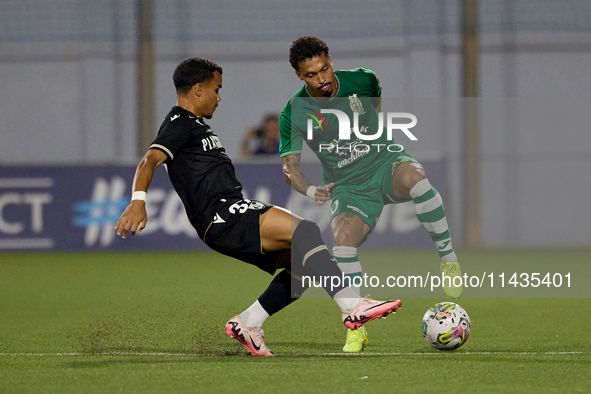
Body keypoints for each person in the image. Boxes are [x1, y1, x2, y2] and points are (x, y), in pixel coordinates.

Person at [114, 57, 401, 356]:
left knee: (304, 265)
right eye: (216, 89)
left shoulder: (195, 126)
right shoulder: (180, 124)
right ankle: (351, 306)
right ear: (198, 90)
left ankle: (248, 324)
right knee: (305, 231)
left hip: (227, 213)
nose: (219, 96)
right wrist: (138, 202)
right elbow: (149, 159)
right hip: (222, 214)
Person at [278, 36, 463, 352]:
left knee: (417, 177)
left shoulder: (363, 80)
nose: (321, 79)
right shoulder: (294, 113)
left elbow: (375, 107)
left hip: (385, 162)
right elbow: (290, 169)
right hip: (348, 186)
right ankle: (355, 326)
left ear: (331, 60)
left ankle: (447, 257)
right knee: (342, 241)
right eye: (311, 75)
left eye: (324, 69)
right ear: (298, 75)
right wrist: (311, 189)